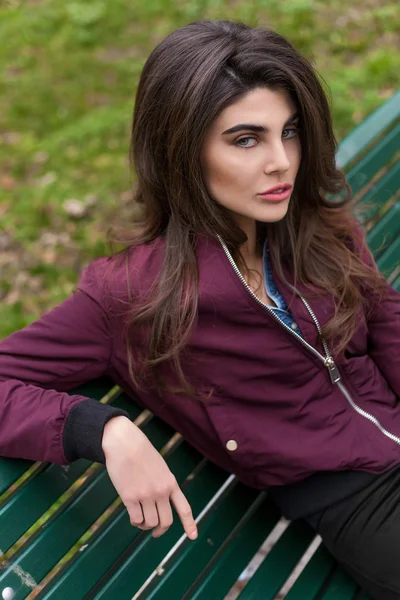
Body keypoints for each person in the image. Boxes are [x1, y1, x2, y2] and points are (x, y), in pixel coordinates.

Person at [0, 19, 399, 599]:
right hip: (358, 501)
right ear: (182, 150)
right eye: (245, 140)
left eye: (289, 132)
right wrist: (102, 427)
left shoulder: (309, 220)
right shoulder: (132, 295)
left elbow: (384, 314)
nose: (281, 162)